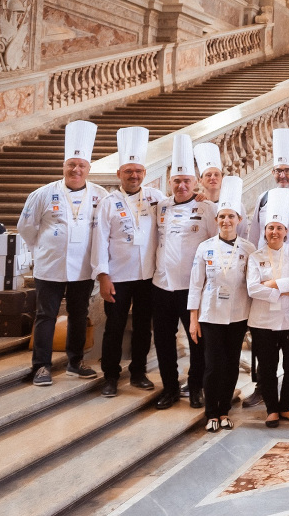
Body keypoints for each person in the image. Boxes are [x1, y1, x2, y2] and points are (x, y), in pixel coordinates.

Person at [19, 120, 105, 386]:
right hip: (50, 265)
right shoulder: (43, 194)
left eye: (81, 166)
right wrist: (45, 249)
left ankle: (75, 362)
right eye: (71, 165)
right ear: (64, 166)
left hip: (82, 268)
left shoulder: (101, 196)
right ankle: (41, 366)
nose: (76, 169)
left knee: (79, 315)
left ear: (88, 169)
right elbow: (26, 228)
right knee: (46, 315)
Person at [244, 128, 289, 408]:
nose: (282, 175)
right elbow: (253, 239)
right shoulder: (264, 199)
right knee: (263, 337)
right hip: (264, 278)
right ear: (272, 172)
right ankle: (263, 387)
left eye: (287, 170)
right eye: (278, 170)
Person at [92, 126, 162, 397]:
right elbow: (99, 241)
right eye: (129, 171)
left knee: (144, 326)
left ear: (144, 174)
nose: (134, 176)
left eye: (139, 171)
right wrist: (103, 276)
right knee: (114, 327)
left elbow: (179, 211)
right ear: (119, 174)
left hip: (148, 276)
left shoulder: (157, 199)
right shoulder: (109, 202)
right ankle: (110, 375)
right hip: (118, 276)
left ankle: (139, 371)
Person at [153, 135, 217, 409]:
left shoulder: (207, 209)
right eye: (176, 181)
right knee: (164, 341)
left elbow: (217, 245)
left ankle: (196, 387)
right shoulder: (162, 207)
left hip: (192, 288)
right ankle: (169, 388)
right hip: (161, 285)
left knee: (197, 341)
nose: (181, 186)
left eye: (186, 181)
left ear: (195, 183)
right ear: (169, 183)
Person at [188, 176, 252, 433]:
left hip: (238, 316)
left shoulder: (248, 248)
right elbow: (195, 285)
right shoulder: (204, 248)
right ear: (216, 221)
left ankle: (225, 410)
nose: (226, 221)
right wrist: (193, 319)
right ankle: (211, 413)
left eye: (231, 217)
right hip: (210, 315)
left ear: (238, 220)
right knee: (213, 366)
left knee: (231, 365)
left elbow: (252, 285)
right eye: (222, 217)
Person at [247, 188, 289, 428]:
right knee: (268, 367)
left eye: (279, 228)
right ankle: (272, 409)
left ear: (286, 231)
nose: (275, 232)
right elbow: (253, 288)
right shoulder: (256, 256)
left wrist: (272, 284)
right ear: (264, 232)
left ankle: (286, 408)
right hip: (262, 321)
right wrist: (287, 290)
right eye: (270, 228)